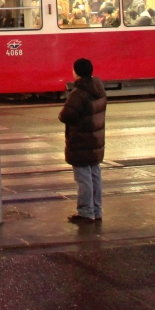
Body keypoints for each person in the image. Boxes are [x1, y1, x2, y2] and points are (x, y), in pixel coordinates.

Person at [58, 57, 107, 225]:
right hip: (95, 140)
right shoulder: (98, 89)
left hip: (80, 141)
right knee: (95, 176)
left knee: (83, 178)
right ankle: (96, 210)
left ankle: (86, 212)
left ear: (77, 72)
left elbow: (66, 115)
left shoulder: (79, 93)